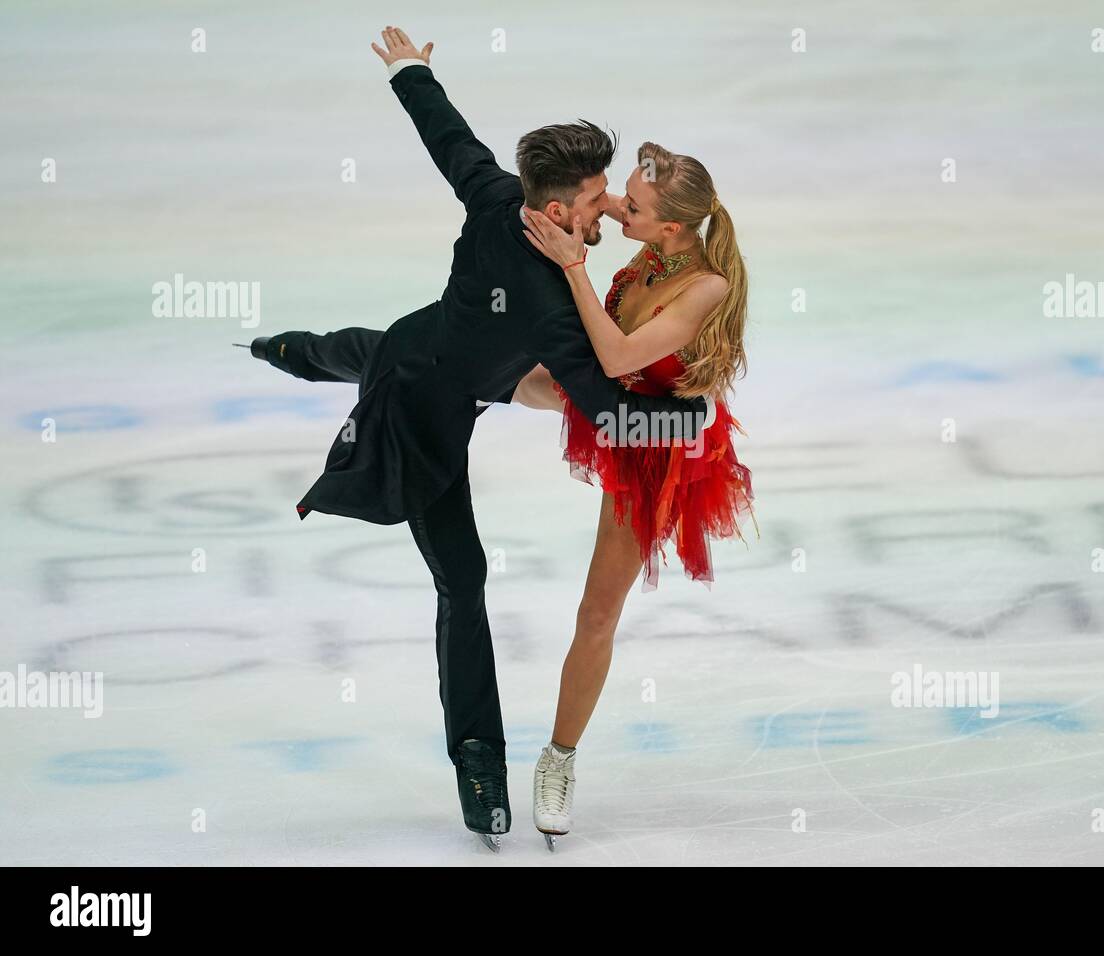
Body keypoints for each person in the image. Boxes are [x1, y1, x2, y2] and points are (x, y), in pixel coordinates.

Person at [244, 26, 712, 851]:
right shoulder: (553, 306)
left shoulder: (500, 195)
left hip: (447, 349)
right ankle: (479, 766)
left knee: (369, 346)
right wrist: (690, 419)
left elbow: (447, 134)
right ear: (558, 210)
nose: (608, 206)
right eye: (599, 196)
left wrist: (412, 69)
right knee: (463, 577)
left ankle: (291, 348)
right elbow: (609, 414)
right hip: (427, 409)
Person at [510, 143, 754, 848]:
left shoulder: (703, 286)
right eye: (623, 196)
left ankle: (558, 759)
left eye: (633, 206)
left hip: (656, 440)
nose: (620, 206)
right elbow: (594, 204)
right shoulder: (658, 231)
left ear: (671, 230)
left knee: (595, 612)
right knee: (495, 369)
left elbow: (619, 358)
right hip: (610, 398)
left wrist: (575, 264)